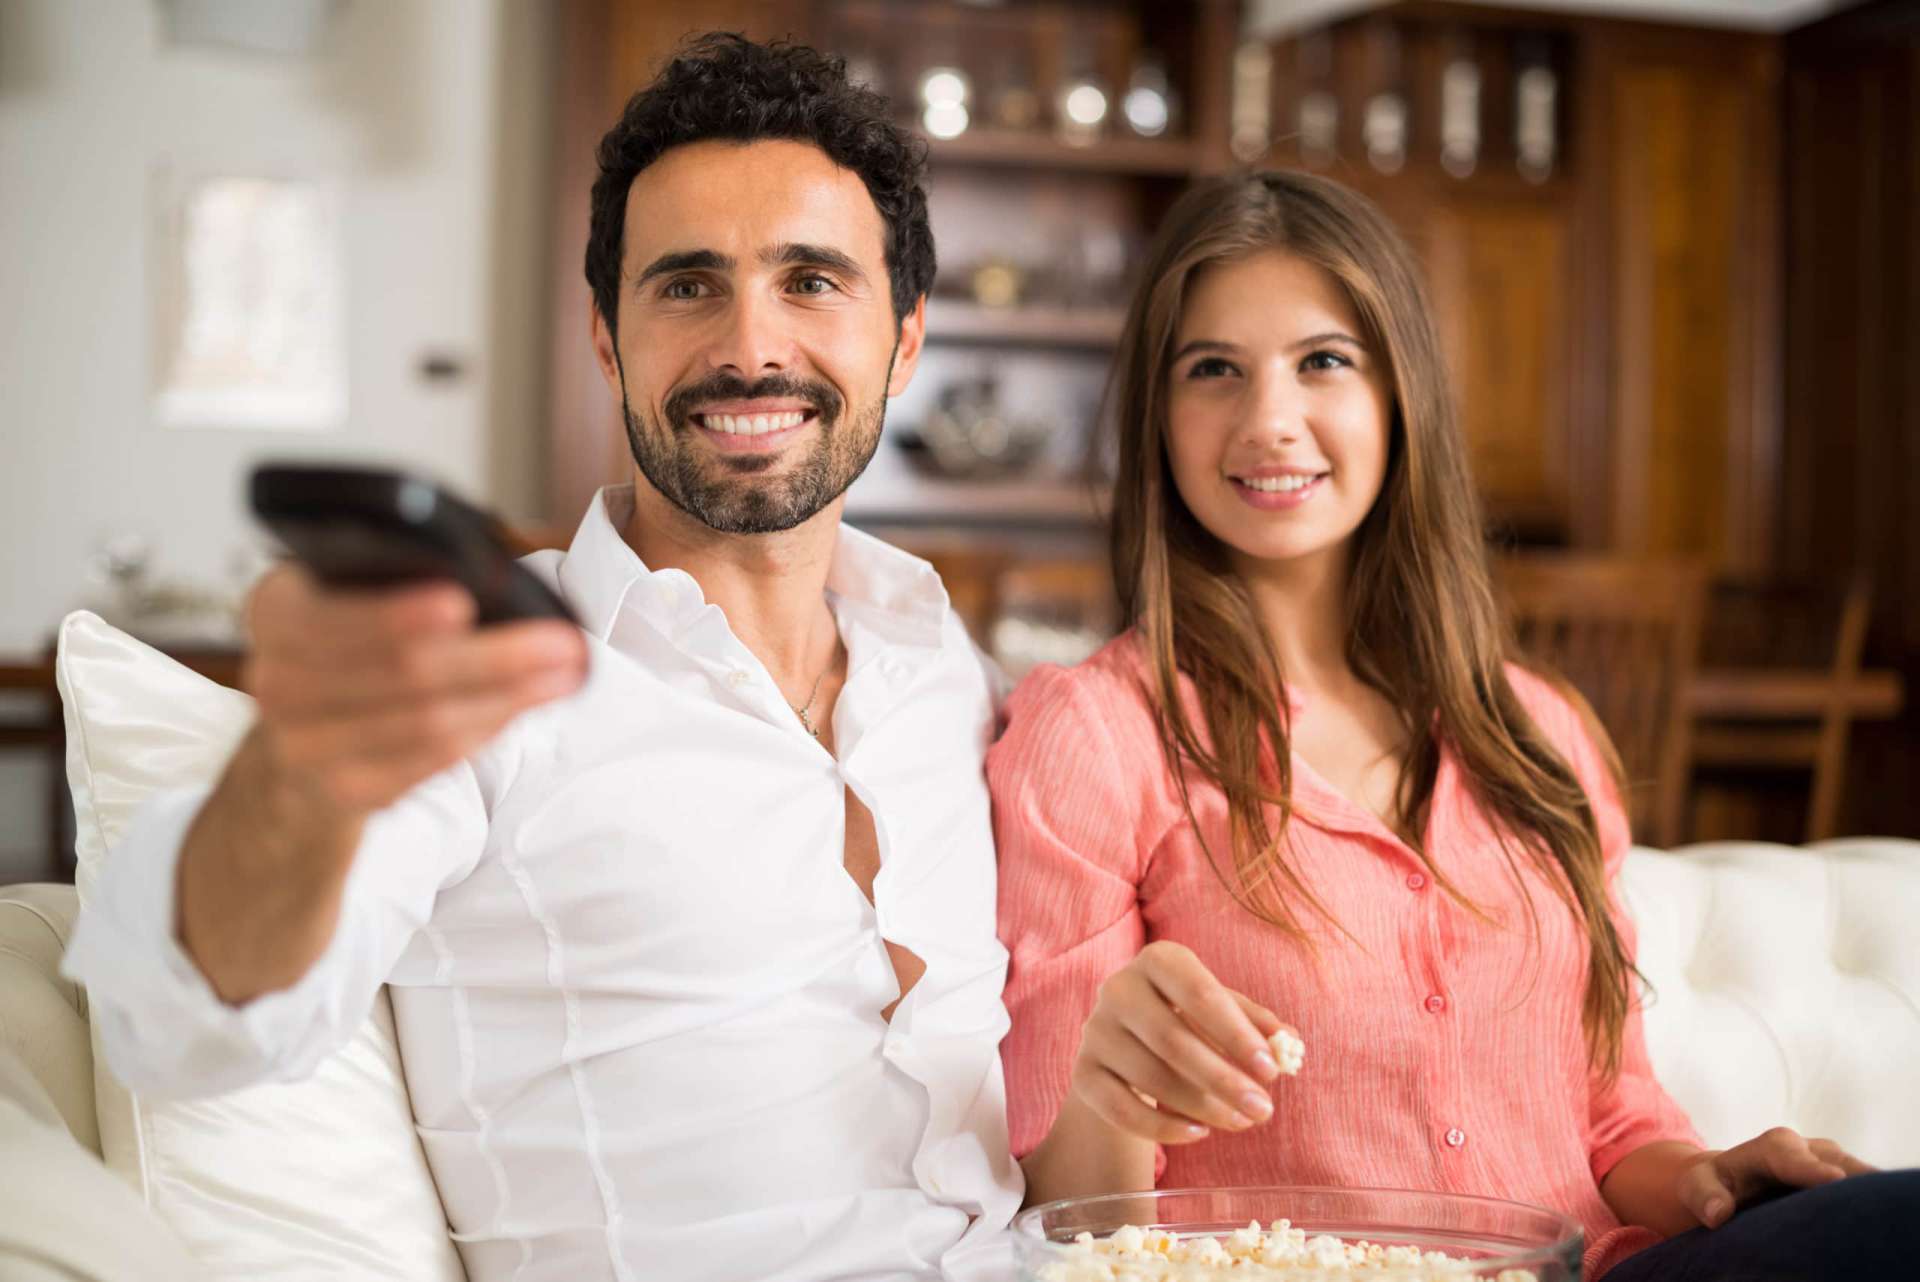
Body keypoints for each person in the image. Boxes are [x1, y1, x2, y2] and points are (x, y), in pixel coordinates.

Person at [65, 34, 1021, 1282]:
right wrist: (299, 778)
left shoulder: (943, 662)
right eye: (686, 284)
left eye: (812, 280)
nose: (749, 346)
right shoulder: (489, 681)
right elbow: (181, 1023)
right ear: (608, 340)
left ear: (903, 343)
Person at [990, 170, 1912, 1279]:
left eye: (1324, 360)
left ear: (1400, 395)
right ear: (1158, 413)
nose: (1269, 420)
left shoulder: (1541, 730)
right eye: (1212, 370)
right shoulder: (1094, 735)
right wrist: (1111, 1080)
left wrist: (1716, 1175)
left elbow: (1615, 1118)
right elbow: (1072, 1221)